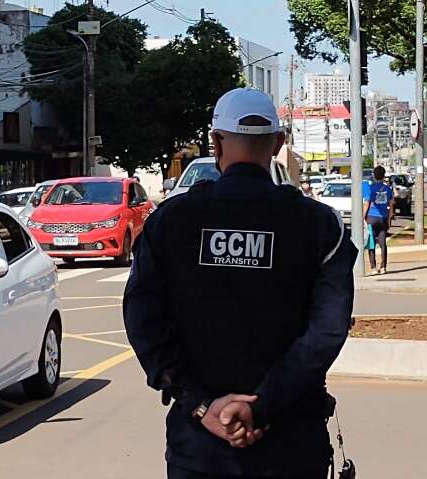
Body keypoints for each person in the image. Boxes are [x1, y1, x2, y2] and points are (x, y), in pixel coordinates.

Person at [123, 88, 358, 479]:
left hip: (200, 448)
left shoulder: (170, 220)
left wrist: (202, 406)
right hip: (292, 445)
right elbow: (327, 332)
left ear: (215, 141)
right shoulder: (319, 225)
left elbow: (143, 320)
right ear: (279, 144)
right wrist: (260, 406)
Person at [364, 165, 394, 275]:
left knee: (371, 243)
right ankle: (383, 267)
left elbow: (367, 203)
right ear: (383, 176)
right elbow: (391, 205)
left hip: (371, 217)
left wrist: (363, 217)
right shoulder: (387, 189)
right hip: (383, 218)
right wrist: (389, 219)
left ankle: (373, 268)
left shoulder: (370, 188)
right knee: (382, 243)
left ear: (374, 176)